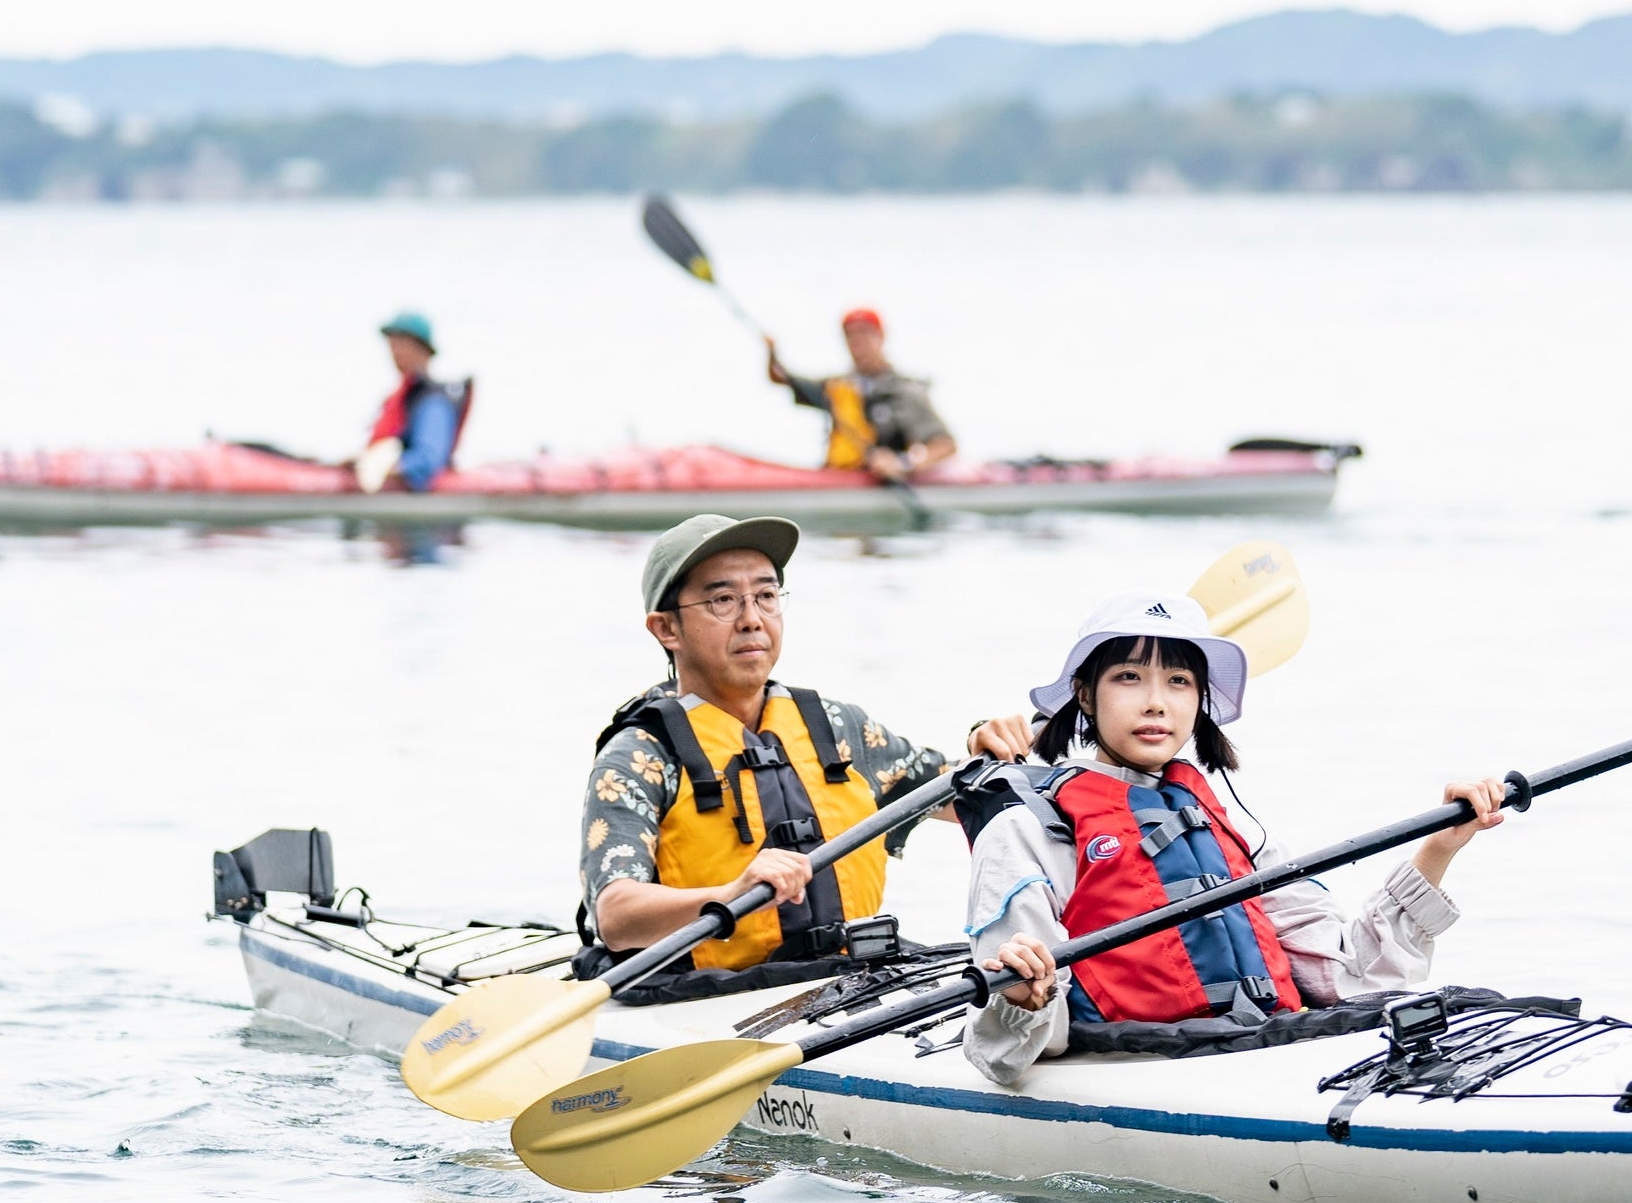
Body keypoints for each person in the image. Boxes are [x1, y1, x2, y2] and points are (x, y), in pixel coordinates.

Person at [958, 593, 1505, 1085]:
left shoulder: (1233, 828)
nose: (1156, 703)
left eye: (1178, 681)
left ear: (1199, 701)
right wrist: (1025, 998)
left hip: (1258, 1051)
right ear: (1084, 693)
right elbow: (1008, 1055)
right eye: (1128, 677)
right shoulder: (1029, 826)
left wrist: (1439, 848)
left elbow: (1353, 979)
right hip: (1129, 1066)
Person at [578, 513, 1031, 990]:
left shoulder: (836, 727)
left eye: (766, 596)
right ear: (667, 629)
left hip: (849, 980)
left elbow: (964, 800)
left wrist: (989, 751)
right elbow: (616, 915)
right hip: (704, 994)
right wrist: (731, 896)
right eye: (723, 600)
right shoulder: (641, 755)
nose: (752, 619)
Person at [766, 307, 956, 484]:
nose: (857, 343)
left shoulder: (905, 391)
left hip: (884, 485)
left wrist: (902, 464)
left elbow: (944, 445)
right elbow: (780, 377)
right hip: (839, 480)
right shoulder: (838, 387)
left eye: (864, 334)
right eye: (850, 336)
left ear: (881, 337)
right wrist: (772, 353)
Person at [359, 312, 467, 493]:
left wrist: (386, 468)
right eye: (392, 344)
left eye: (402, 343)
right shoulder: (402, 398)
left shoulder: (433, 402)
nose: (395, 351)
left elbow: (427, 459)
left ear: (423, 349)